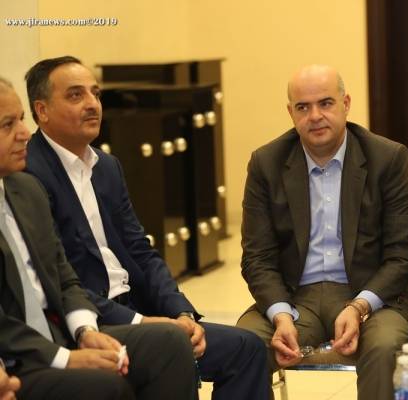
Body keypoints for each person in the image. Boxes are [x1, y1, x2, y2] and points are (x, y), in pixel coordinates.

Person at [23, 56, 269, 400]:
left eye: (95, 94)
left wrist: (180, 312)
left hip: (139, 308)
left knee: (247, 349)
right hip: (89, 322)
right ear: (42, 110)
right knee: (171, 347)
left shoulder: (106, 166)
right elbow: (58, 280)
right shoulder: (29, 175)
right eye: (76, 95)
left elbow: (141, 251)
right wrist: (144, 323)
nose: (92, 104)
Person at [0, 77, 199, 400]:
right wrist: (65, 358)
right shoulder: (39, 175)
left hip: (61, 332)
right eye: (7, 125)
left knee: (169, 343)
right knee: (108, 386)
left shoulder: (25, 189)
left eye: (21, 119)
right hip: (15, 359)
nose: (24, 132)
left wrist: (85, 331)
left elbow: (64, 276)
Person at [237, 64, 408, 400]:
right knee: (242, 348)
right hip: (295, 296)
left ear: (346, 103)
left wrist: (359, 307)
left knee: (385, 348)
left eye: (325, 103)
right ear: (290, 112)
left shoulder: (388, 158)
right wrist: (280, 315)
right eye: (303, 107)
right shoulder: (266, 163)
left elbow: (403, 255)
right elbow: (257, 258)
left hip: (375, 294)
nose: (315, 116)